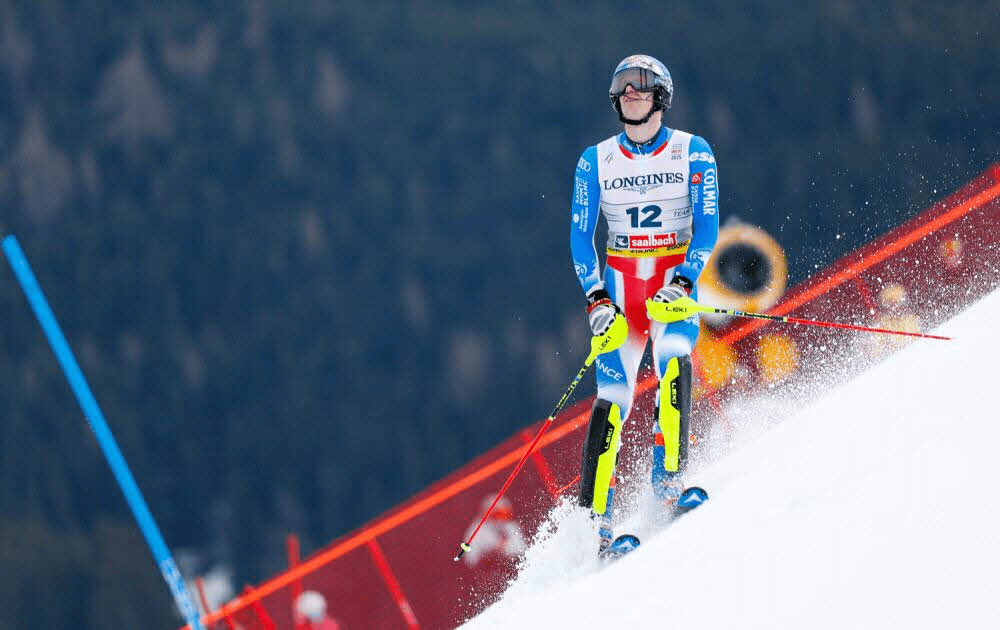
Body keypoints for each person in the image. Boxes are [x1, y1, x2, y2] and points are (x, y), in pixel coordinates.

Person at [570, 54, 720, 554]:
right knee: (613, 397)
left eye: (641, 83)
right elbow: (579, 237)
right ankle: (596, 523)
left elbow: (707, 228)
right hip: (620, 293)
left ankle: (668, 480)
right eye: (622, 84)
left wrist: (684, 280)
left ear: (661, 95)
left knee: (674, 357)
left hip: (672, 283)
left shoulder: (693, 151)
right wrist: (596, 298)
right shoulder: (595, 160)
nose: (629, 91)